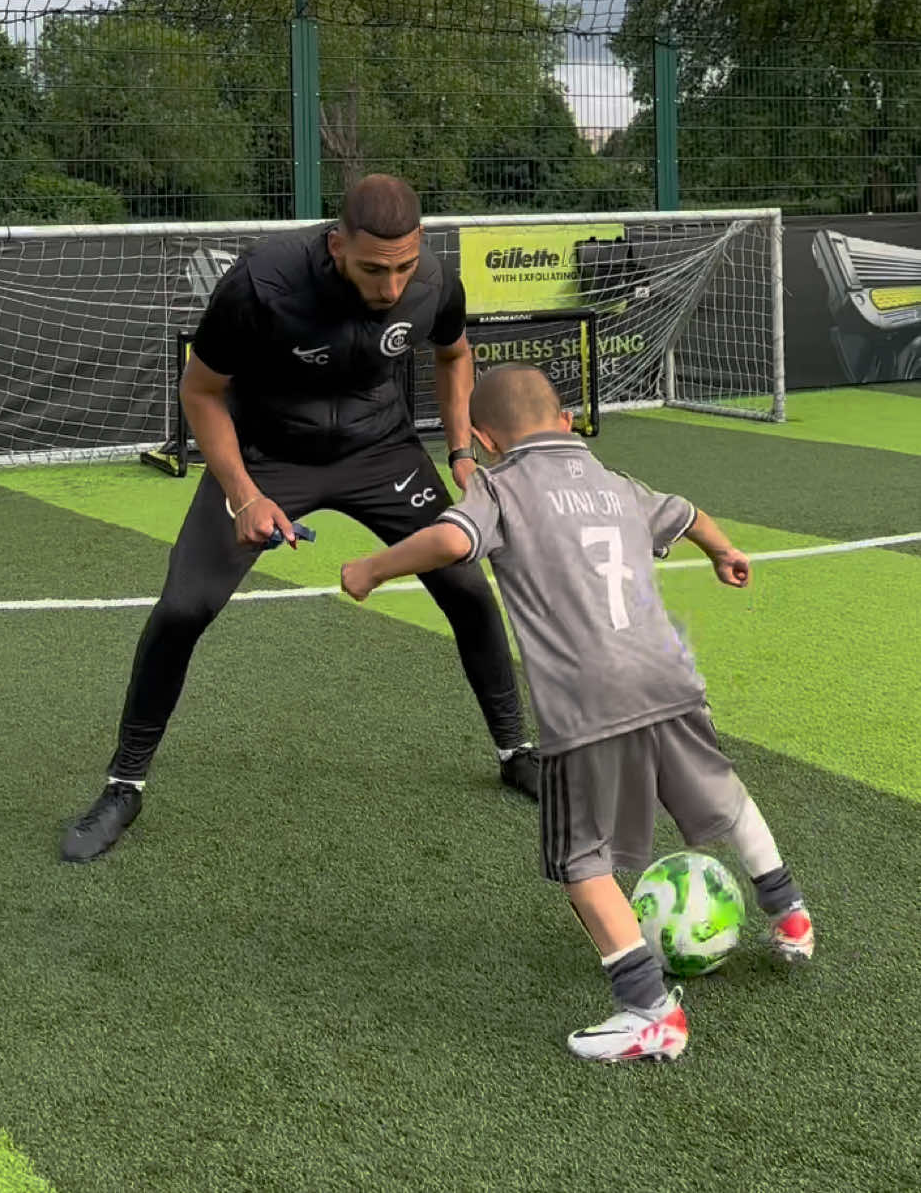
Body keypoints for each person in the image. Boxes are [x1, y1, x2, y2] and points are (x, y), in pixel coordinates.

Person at [340, 364, 814, 1064]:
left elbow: (448, 542)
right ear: (566, 422)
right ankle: (791, 915)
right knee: (725, 795)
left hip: (586, 702)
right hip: (670, 678)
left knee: (579, 861)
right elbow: (683, 511)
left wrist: (372, 568)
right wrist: (722, 550)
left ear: (481, 437)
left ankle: (649, 1011)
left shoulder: (497, 486)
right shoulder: (615, 482)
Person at [60, 176, 539, 864]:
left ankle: (515, 750)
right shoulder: (261, 282)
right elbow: (199, 391)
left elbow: (454, 353)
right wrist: (243, 493)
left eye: (403, 266)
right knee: (182, 608)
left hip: (381, 452)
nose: (391, 286)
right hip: (267, 456)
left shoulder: (434, 280)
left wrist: (460, 451)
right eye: (374, 268)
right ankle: (123, 784)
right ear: (337, 244)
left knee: (464, 584)